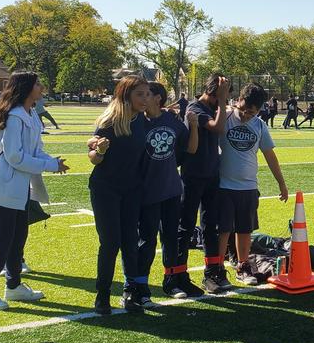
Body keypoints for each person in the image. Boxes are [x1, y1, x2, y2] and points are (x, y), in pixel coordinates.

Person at [0, 73, 68, 311]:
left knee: (18, 238)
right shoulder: (14, 117)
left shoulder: (31, 114)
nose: (41, 87)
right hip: (5, 187)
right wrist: (49, 165)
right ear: (26, 88)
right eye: (37, 83)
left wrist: (53, 162)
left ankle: (14, 285)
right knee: (1, 240)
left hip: (20, 188)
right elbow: (15, 156)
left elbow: (36, 150)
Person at [87, 76, 152, 314]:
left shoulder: (142, 120)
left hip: (132, 189)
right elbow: (93, 158)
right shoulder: (109, 121)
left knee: (130, 242)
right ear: (126, 96)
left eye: (147, 94)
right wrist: (100, 150)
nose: (145, 99)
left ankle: (130, 293)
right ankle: (102, 295)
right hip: (106, 189)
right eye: (140, 94)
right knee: (110, 243)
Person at [218, 83, 289, 285]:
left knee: (245, 230)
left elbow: (270, 156)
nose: (246, 115)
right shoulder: (225, 117)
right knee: (222, 230)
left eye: (252, 112)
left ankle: (243, 266)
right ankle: (217, 268)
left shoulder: (259, 125)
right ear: (239, 100)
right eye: (244, 109)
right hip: (223, 186)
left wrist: (281, 184)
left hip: (248, 187)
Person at [136, 82, 200, 304]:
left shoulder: (172, 120)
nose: (143, 98)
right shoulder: (137, 120)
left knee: (171, 238)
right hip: (147, 192)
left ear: (158, 98)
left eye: (148, 94)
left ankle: (171, 281)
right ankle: (140, 286)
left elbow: (191, 149)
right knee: (146, 241)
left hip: (171, 190)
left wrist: (194, 126)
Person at [179, 73, 231, 294]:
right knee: (186, 226)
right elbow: (218, 128)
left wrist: (222, 101)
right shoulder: (195, 108)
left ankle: (212, 274)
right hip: (193, 176)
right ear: (211, 92)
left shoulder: (212, 107)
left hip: (211, 174)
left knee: (211, 226)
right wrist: (222, 100)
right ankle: (177, 275)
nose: (222, 101)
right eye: (220, 96)